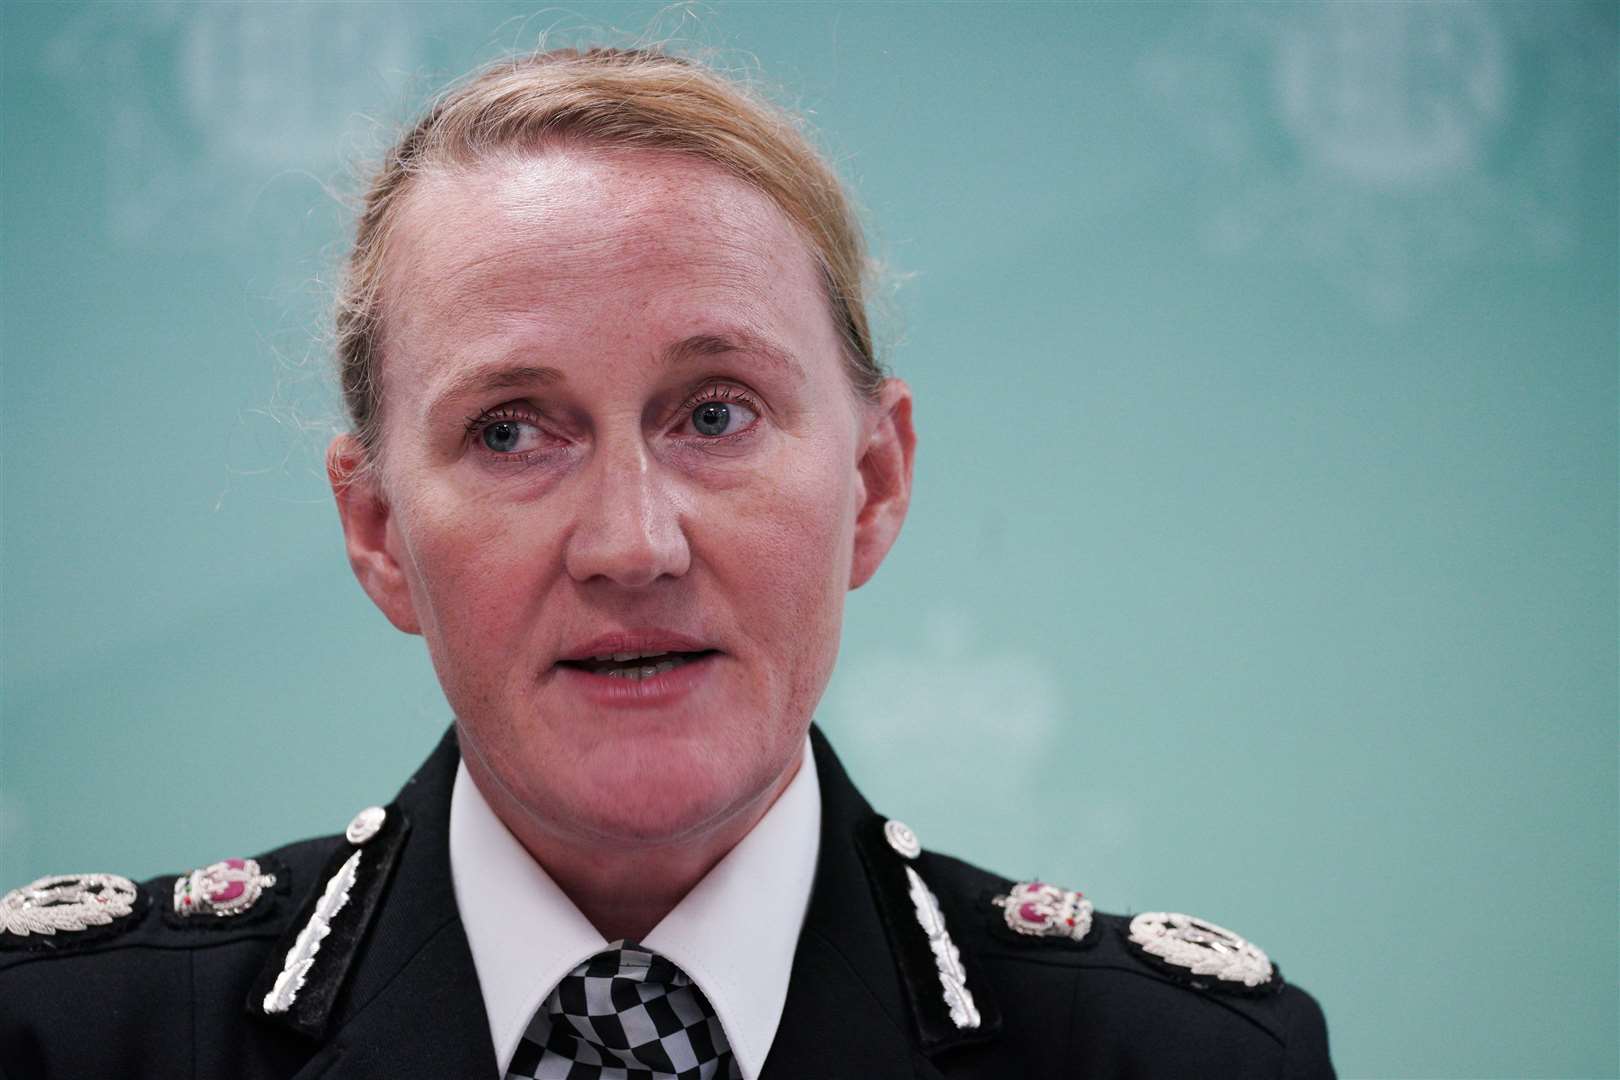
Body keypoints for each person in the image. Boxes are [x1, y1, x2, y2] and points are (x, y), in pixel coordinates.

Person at [0, 47, 1334, 1078]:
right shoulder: (60, 1042)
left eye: (714, 415)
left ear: (874, 480)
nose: (632, 546)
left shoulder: (1182, 1060)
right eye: (511, 431)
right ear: (377, 531)